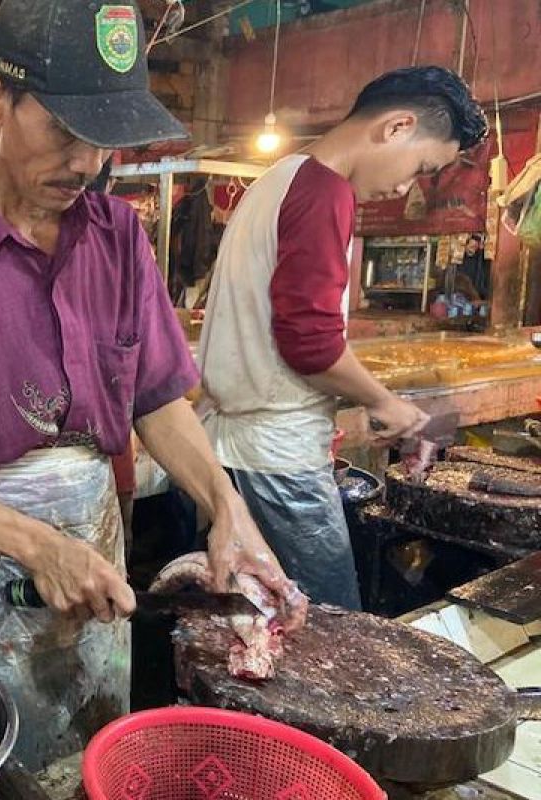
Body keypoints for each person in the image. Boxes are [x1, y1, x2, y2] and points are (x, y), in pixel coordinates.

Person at [0, 0, 304, 770]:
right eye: (64, 131)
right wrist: (33, 543)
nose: (87, 163)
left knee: (89, 758)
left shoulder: (118, 238)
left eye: (103, 141)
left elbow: (157, 396)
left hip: (96, 548)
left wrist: (227, 508)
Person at [198, 67, 488, 609]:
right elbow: (309, 342)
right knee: (331, 626)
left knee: (251, 617)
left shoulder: (283, 176)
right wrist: (384, 401)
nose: (406, 187)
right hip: (277, 460)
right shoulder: (324, 191)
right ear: (397, 126)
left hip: (237, 447)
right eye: (421, 168)